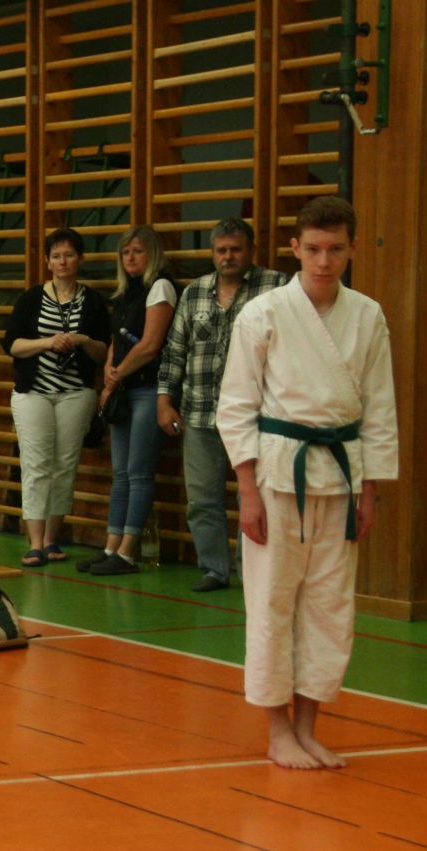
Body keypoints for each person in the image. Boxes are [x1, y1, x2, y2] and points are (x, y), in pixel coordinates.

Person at [218, 196, 396, 772]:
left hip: (341, 477)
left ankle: (307, 728)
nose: (324, 261)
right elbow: (235, 406)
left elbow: (380, 409)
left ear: (352, 249)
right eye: (314, 249)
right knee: (272, 601)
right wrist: (247, 490)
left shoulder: (367, 316)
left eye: (335, 250)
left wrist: (370, 490)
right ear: (295, 248)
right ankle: (277, 731)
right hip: (277, 474)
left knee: (329, 606)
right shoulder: (264, 313)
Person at [157, 217, 289, 592]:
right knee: (202, 499)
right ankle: (214, 570)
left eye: (236, 250)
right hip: (200, 412)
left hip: (258, 416)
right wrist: (165, 401)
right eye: (221, 250)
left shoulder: (277, 287)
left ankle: (253, 574)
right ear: (212, 253)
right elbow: (174, 352)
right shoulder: (194, 292)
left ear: (252, 250)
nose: (228, 257)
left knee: (257, 499)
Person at [4, 227, 110, 568]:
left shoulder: (93, 301)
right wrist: (48, 342)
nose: (62, 261)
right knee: (36, 464)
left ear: (80, 259)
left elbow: (102, 352)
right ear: (48, 262)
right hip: (34, 393)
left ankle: (52, 538)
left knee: (65, 465)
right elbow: (12, 345)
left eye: (69, 255)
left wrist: (82, 340)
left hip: (76, 392)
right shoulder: (31, 299)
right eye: (56, 256)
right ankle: (34, 542)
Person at [79, 225, 178, 577]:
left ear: (153, 254)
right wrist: (109, 370)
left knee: (138, 471)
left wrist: (117, 374)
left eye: (138, 251)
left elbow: (150, 345)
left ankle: (128, 551)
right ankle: (110, 546)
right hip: (124, 388)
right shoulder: (125, 294)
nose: (131, 257)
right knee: (120, 473)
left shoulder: (160, 287)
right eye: (125, 252)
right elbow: (115, 342)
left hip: (148, 388)